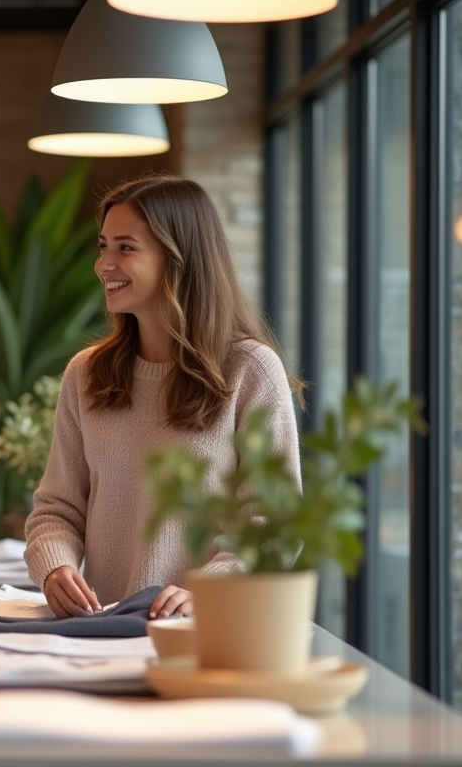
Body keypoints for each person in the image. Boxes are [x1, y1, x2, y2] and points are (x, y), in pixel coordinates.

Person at [23, 175, 304, 622]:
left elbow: (273, 525)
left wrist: (208, 592)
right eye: (103, 246)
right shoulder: (86, 375)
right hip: (103, 639)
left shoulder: (251, 370)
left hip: (209, 637)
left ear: (179, 257)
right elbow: (58, 508)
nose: (103, 264)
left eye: (125, 248)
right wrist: (54, 566)